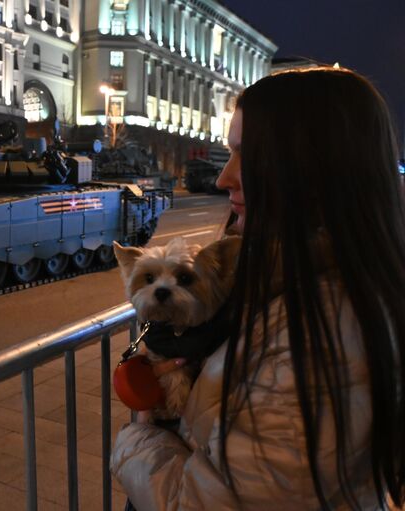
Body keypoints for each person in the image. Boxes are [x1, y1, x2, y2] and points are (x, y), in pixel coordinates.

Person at [110, 67, 405, 510]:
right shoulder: (291, 285)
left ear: (314, 169)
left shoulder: (319, 338)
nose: (224, 177)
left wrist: (137, 438)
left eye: (246, 156)